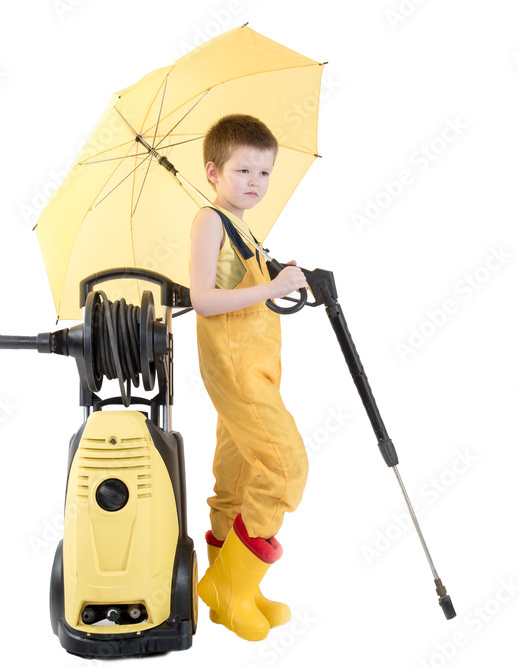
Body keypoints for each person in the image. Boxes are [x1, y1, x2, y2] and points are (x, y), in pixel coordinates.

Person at [189, 114, 309, 641]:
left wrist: (280, 277)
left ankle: (229, 585)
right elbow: (203, 299)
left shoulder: (245, 229)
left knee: (237, 476)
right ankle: (231, 588)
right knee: (284, 469)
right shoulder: (210, 221)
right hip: (237, 372)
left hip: (258, 371)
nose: (255, 182)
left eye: (264, 172)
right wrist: (270, 286)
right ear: (213, 171)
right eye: (243, 171)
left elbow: (248, 288)